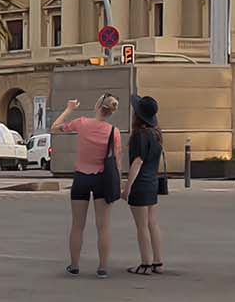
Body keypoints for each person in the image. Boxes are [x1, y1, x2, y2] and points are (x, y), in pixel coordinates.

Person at [54, 94, 125, 276]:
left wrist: (69, 109)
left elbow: (54, 128)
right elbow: (117, 159)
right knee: (103, 226)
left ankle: (75, 264)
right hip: (102, 178)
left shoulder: (81, 123)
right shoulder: (113, 131)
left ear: (97, 106)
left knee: (78, 224)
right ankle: (102, 267)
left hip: (81, 178)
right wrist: (120, 182)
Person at [124, 95, 168, 274]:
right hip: (152, 184)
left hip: (140, 185)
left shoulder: (139, 136)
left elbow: (137, 162)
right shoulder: (156, 135)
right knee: (152, 223)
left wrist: (127, 188)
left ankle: (145, 263)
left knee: (141, 226)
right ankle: (158, 262)